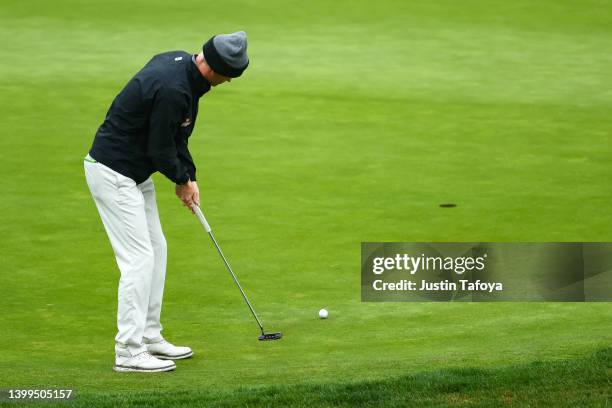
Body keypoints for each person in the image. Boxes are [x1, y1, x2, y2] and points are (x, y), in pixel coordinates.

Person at [84, 31, 249, 373]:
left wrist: (189, 176)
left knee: (156, 249)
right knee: (139, 259)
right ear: (215, 69)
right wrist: (180, 180)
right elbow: (160, 149)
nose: (230, 81)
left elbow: (177, 135)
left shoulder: (183, 70)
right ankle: (128, 351)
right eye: (230, 74)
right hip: (114, 173)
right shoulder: (176, 88)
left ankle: (148, 335)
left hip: (134, 173)